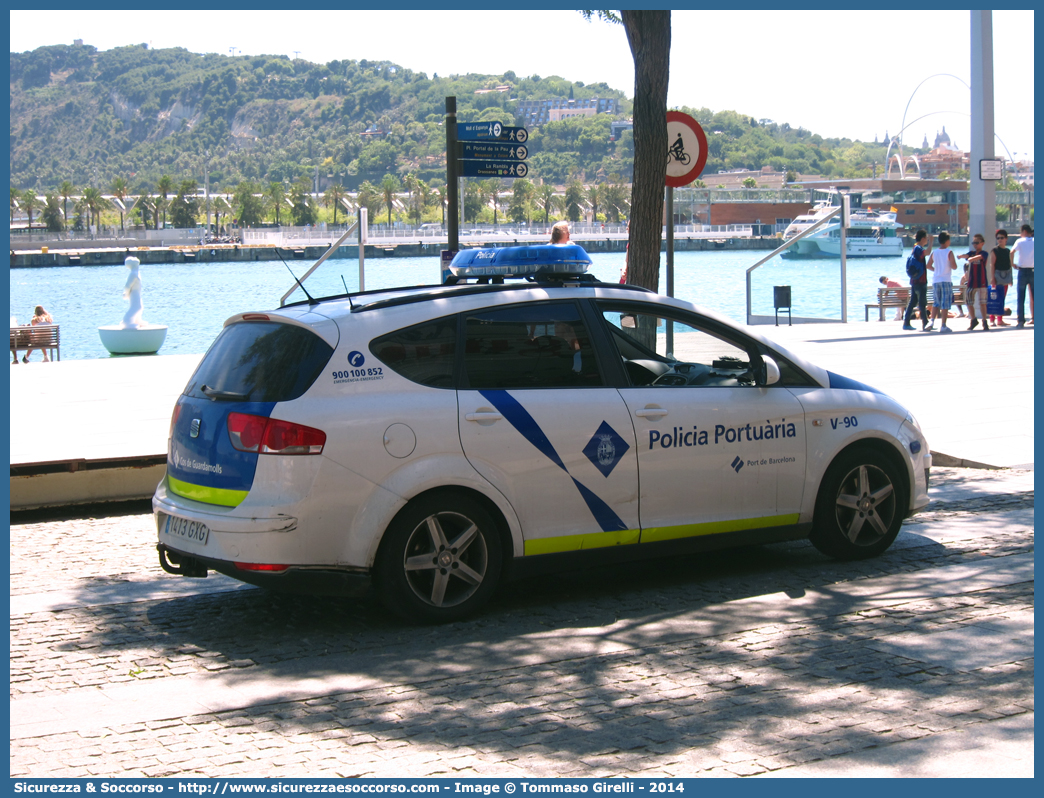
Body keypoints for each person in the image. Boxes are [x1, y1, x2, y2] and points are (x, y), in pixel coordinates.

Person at [925, 231, 957, 333]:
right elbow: (954, 266)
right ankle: (943, 325)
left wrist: (937, 270)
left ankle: (931, 321)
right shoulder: (949, 252)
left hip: (936, 280)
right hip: (946, 280)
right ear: (947, 241)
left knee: (936, 302)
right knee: (945, 304)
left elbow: (928, 265)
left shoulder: (934, 252)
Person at [957, 234, 989, 330]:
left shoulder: (984, 253)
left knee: (982, 302)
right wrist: (961, 256)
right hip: (972, 281)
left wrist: (971, 259)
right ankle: (973, 319)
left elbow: (979, 257)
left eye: (977, 243)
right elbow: (966, 255)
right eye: (973, 243)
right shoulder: (971, 253)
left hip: (982, 281)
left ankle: (984, 321)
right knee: (968, 301)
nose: (975, 245)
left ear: (982, 243)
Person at [903, 230, 931, 330]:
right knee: (922, 302)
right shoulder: (918, 248)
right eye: (926, 238)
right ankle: (925, 324)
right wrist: (931, 242)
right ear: (923, 238)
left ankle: (906, 322)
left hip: (915, 280)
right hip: (920, 280)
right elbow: (927, 253)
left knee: (914, 302)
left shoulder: (914, 247)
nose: (927, 239)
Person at [987, 229, 1013, 326]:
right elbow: (992, 265)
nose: (1000, 240)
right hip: (997, 275)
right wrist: (992, 278)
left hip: (1006, 275)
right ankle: (992, 319)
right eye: (998, 238)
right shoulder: (995, 250)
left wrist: (1011, 279)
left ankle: (1000, 319)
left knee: (1002, 297)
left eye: (1002, 238)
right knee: (994, 298)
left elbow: (1009, 265)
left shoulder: (1007, 251)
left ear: (1006, 239)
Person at [1011, 224, 1034, 328]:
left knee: (1021, 297)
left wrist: (1012, 264)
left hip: (1022, 271)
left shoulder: (1019, 241)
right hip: (1034, 271)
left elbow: (1012, 252)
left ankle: (1021, 320)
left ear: (1024, 231)